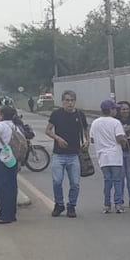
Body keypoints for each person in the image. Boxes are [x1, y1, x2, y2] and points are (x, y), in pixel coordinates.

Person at [46, 89, 89, 218]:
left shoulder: (80, 115)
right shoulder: (56, 114)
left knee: (75, 183)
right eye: (67, 100)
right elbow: (48, 130)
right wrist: (58, 139)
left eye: (72, 100)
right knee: (57, 181)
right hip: (59, 154)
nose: (70, 103)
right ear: (62, 101)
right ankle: (59, 204)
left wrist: (87, 141)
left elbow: (86, 129)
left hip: (74, 154)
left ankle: (71, 206)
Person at [91, 100, 129, 214]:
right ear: (110, 110)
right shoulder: (116, 122)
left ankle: (107, 205)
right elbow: (119, 138)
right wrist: (124, 140)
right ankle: (118, 204)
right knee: (117, 180)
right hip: (115, 155)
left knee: (107, 181)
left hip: (102, 156)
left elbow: (92, 139)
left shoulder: (95, 123)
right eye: (114, 109)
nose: (116, 110)